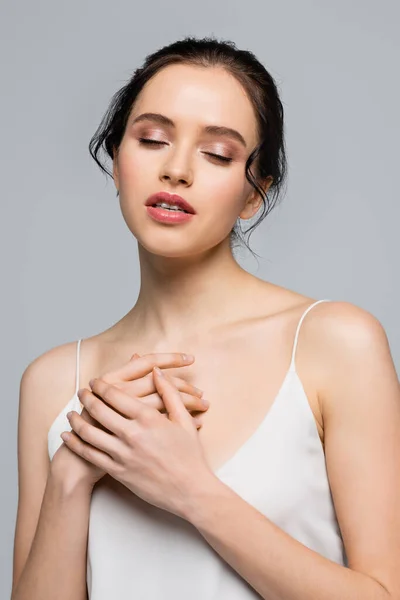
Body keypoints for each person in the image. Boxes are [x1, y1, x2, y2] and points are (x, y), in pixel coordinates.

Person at [11, 36, 399, 600]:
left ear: (253, 195)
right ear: (116, 160)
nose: (176, 170)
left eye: (217, 154)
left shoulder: (333, 344)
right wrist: (72, 474)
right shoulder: (52, 382)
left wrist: (191, 490)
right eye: (152, 140)